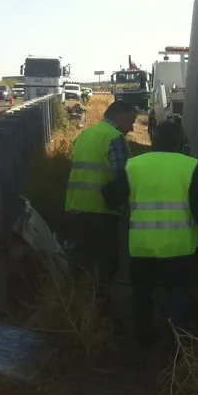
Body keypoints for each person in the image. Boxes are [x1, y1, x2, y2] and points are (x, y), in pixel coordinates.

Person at [103, 121, 198, 348]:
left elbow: (111, 195)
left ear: (154, 139)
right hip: (180, 246)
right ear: (180, 142)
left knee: (142, 292)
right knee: (178, 291)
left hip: (143, 246)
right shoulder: (190, 166)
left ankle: (144, 338)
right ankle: (178, 341)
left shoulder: (133, 165)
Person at [64, 99, 137, 307]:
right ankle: (99, 309)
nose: (131, 128)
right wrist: (124, 208)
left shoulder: (85, 134)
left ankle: (77, 305)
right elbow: (123, 178)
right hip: (101, 211)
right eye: (130, 122)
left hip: (75, 206)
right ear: (120, 116)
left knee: (82, 261)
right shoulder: (114, 138)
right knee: (105, 264)